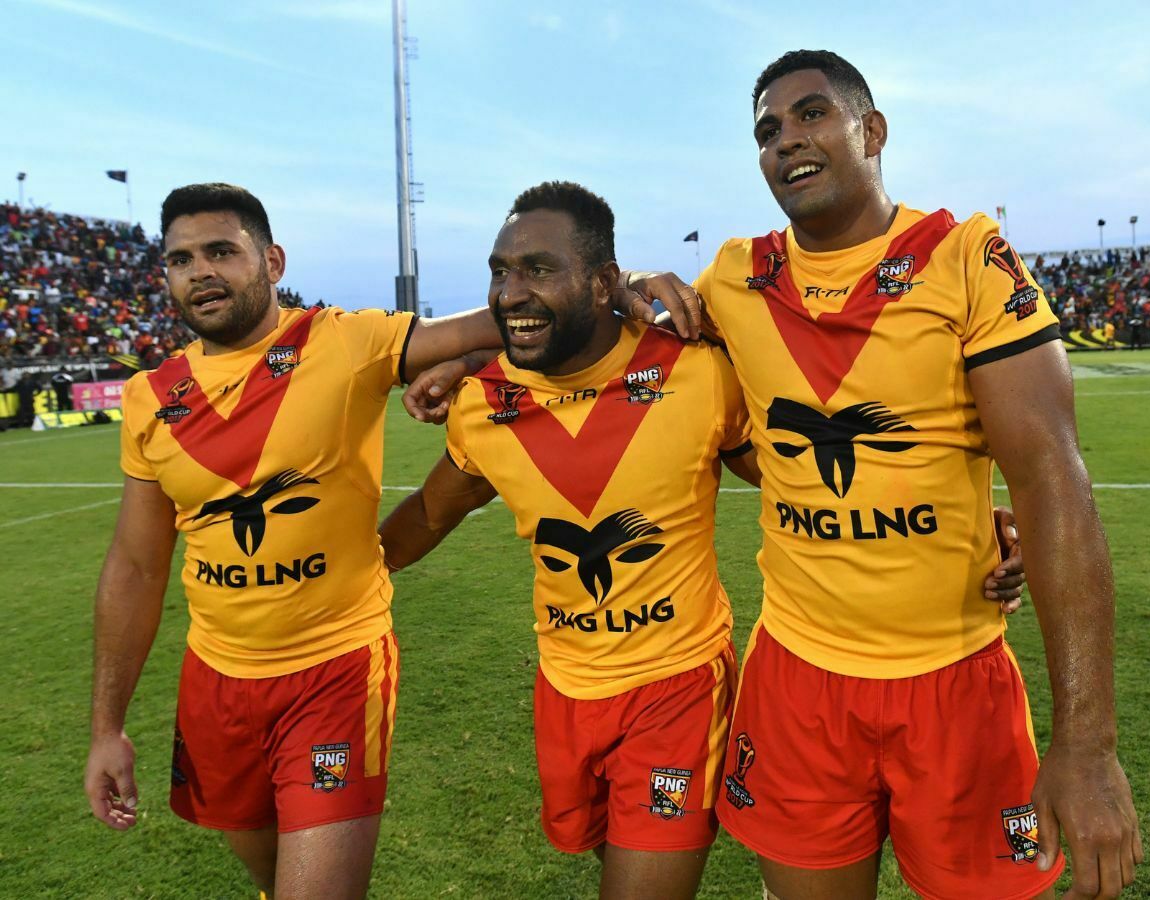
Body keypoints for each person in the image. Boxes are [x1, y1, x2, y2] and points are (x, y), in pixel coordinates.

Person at [387, 181, 1029, 899]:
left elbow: (807, 467)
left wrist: (974, 518)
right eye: (500, 273)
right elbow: (425, 517)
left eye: (537, 269)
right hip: (565, 687)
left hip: (681, 686)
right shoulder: (482, 406)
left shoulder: (696, 374)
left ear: (603, 283)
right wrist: (315, 574)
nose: (510, 291)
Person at [617, 50, 1141, 900]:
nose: (787, 139)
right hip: (796, 682)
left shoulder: (965, 256)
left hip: (957, 679)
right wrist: (635, 282)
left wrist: (1087, 744)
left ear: (873, 130)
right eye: (767, 131)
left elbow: (1053, 480)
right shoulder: (735, 277)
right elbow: (715, 427)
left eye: (811, 114)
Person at [83, 182, 502, 900]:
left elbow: (509, 319)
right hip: (216, 684)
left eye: (222, 251)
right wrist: (106, 729)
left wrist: (464, 363)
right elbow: (135, 565)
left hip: (335, 670)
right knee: (276, 877)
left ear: (272, 260)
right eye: (181, 259)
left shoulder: (342, 341)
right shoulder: (152, 397)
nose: (201, 271)